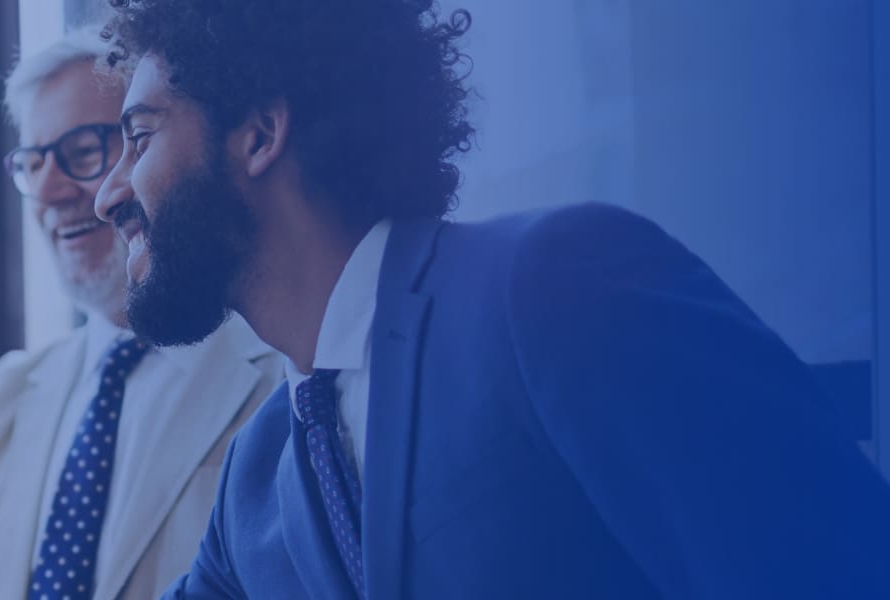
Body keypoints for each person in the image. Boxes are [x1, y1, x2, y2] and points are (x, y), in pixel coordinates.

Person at [90, 1, 890, 598]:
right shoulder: (258, 479)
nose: (106, 196)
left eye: (141, 135)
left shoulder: (549, 287)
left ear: (261, 133)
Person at [0, 28, 286, 600]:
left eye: (84, 150)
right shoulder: (8, 395)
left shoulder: (278, 373)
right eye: (33, 162)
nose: (50, 190)